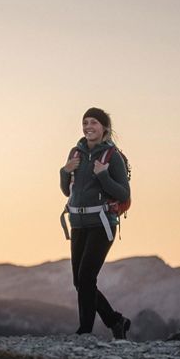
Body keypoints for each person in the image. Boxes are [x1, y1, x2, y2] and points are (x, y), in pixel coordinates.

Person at [59, 107, 132, 339]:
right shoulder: (75, 153)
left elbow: (123, 193)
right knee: (79, 281)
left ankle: (85, 331)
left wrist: (103, 175)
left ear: (104, 129)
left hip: (102, 223)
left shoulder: (113, 156)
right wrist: (64, 171)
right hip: (78, 223)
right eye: (85, 122)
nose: (88, 127)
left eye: (94, 123)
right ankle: (116, 321)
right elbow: (65, 190)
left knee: (87, 277)